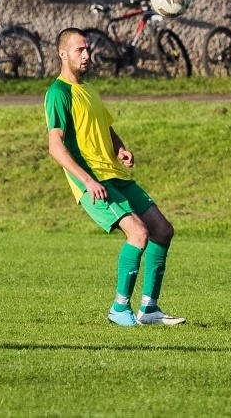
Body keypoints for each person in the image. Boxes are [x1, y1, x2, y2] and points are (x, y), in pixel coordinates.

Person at [45, 28, 185, 327]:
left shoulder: (90, 90)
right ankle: (119, 308)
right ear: (63, 54)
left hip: (114, 174)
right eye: (79, 50)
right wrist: (87, 180)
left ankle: (149, 309)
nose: (86, 56)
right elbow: (55, 146)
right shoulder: (58, 93)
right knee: (138, 233)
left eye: (88, 50)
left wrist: (120, 148)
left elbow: (105, 128)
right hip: (93, 182)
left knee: (162, 230)